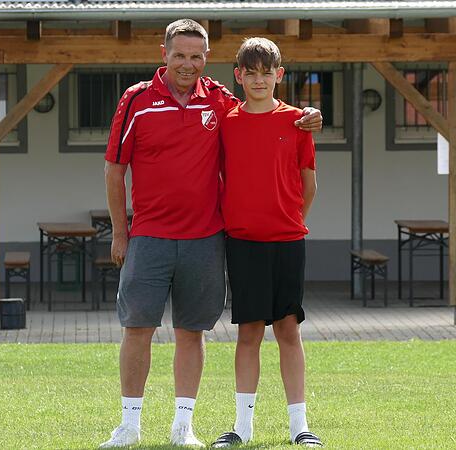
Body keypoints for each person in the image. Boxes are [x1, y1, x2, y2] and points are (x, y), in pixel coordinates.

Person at [100, 20, 322, 447]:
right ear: (163, 55)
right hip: (148, 235)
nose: (188, 64)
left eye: (196, 56)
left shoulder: (219, 101)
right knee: (137, 329)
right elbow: (114, 170)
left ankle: (183, 427)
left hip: (207, 239)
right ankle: (129, 425)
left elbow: (266, 108)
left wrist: (308, 115)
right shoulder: (137, 100)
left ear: (207, 59)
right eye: (179, 55)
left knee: (192, 332)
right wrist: (120, 233)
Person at [210, 37, 323, 448]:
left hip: (288, 241)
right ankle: (242, 427)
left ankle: (300, 427)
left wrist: (290, 222)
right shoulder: (226, 120)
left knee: (288, 331)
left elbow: (309, 184)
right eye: (251, 73)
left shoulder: (297, 121)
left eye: (267, 73)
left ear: (280, 75)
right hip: (242, 243)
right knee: (248, 334)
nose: (259, 80)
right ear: (238, 76)